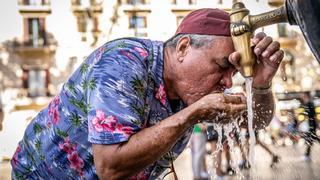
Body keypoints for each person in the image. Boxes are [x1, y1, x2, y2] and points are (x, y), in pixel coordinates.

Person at [11, 8, 283, 179]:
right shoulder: (123, 61)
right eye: (223, 66)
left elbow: (254, 121)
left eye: (234, 72)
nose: (227, 81)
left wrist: (261, 84)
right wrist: (193, 114)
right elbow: (110, 167)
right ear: (183, 47)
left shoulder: (191, 90)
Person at [301, 92, 320, 161]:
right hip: (310, 123)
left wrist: (317, 124)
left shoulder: (310, 104)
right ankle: (307, 155)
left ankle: (307, 155)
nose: (302, 97)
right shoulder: (307, 104)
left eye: (303, 96)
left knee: (311, 139)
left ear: (306, 96)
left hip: (312, 124)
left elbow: (314, 116)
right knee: (312, 138)